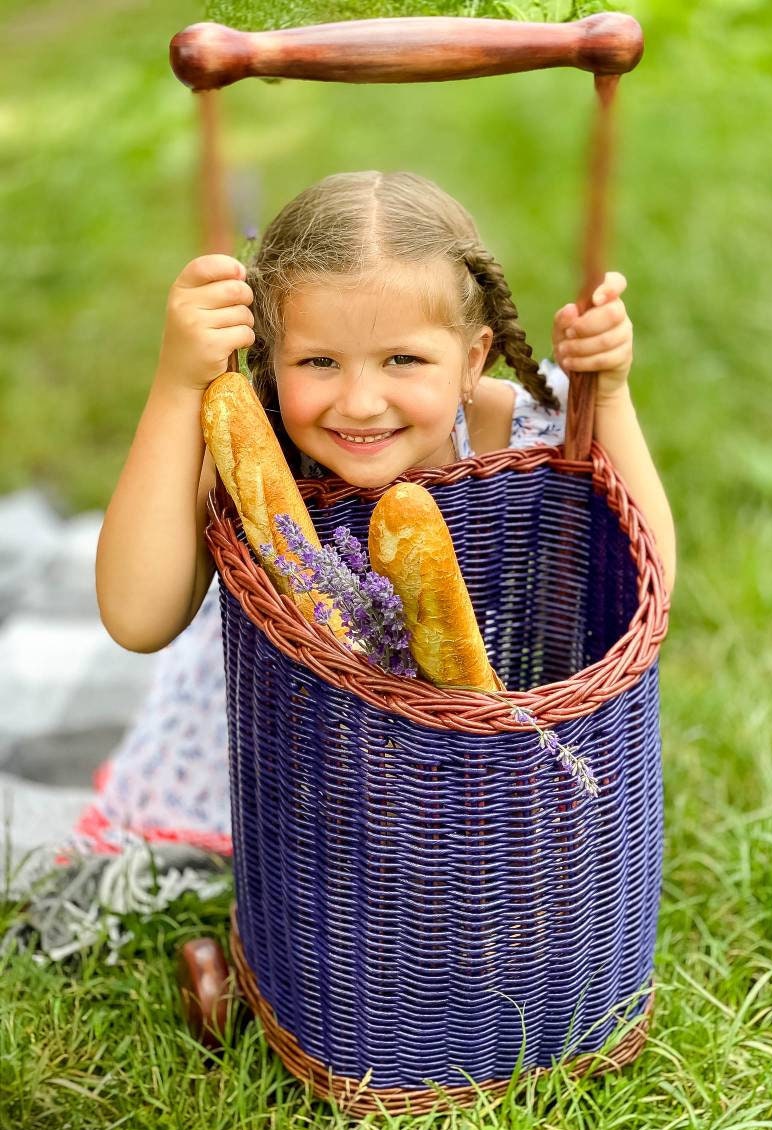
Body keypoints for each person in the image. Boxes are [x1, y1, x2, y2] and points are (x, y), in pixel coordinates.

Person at [84, 170, 675, 855]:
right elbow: (136, 617)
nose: (361, 401)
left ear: (473, 360)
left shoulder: (521, 432)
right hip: (285, 777)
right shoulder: (257, 451)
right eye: (319, 361)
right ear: (271, 361)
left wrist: (608, 399)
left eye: (403, 359)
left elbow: (649, 587)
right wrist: (179, 381)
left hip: (474, 771)